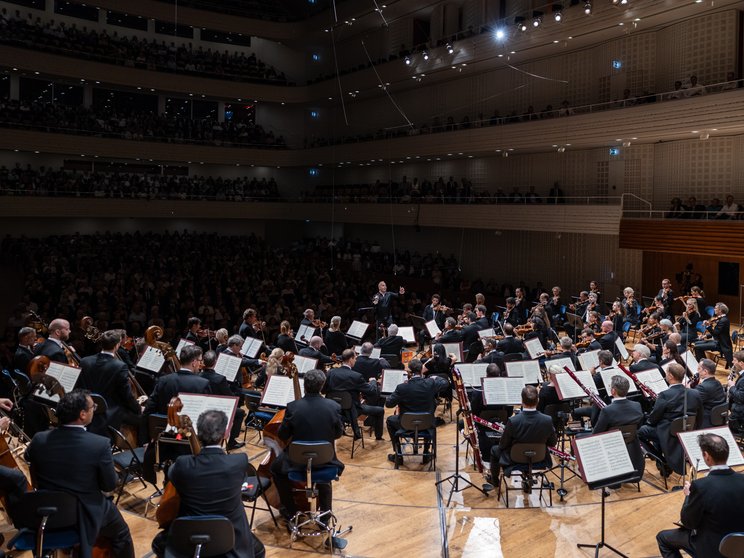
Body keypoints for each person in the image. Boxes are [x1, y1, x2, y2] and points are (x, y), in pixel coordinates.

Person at [25, 390, 135, 558]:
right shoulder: (99, 444)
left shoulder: (39, 439)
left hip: (47, 513)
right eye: (93, 407)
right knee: (121, 534)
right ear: (82, 414)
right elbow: (109, 485)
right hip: (84, 512)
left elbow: (28, 457)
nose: (94, 409)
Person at [152, 409, 265, 558]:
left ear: (198, 434)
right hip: (231, 540)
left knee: (158, 544)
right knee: (259, 550)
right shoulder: (238, 462)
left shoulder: (182, 465)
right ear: (224, 434)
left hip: (189, 536)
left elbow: (173, 475)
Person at [271, 369, 344, 524]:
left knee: (276, 469)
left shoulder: (292, 407)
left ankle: (290, 512)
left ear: (304, 385)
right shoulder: (333, 406)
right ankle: (325, 518)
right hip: (325, 460)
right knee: (324, 476)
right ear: (322, 385)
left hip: (298, 462)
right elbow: (338, 434)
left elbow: (283, 435)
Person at [656, 433, 744, 558]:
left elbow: (688, 523)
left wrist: (688, 495)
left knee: (663, 538)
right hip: (740, 546)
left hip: (713, 549)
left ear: (706, 456)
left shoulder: (701, 486)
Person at [638, 363, 703, 476]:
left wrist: (647, 421)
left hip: (667, 432)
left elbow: (654, 419)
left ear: (671, 376)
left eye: (667, 372)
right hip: (686, 430)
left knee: (639, 433)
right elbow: (700, 415)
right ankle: (663, 460)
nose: (666, 375)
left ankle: (661, 460)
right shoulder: (695, 393)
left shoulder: (665, 395)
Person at [78, 329, 142, 440]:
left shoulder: (85, 361)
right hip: (110, 413)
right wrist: (138, 408)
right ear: (117, 345)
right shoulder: (119, 366)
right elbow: (126, 395)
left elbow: (79, 387)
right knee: (143, 418)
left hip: (86, 409)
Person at [487, 385, 557, 485]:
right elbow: (552, 443)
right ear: (538, 400)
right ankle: (526, 476)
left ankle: (494, 481)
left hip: (515, 458)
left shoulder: (513, 421)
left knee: (494, 449)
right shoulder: (547, 420)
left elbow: (503, 445)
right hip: (539, 458)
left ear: (522, 401)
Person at [385, 359, 448, 465]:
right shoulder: (430, 383)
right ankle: (425, 453)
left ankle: (398, 455)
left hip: (406, 424)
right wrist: (434, 377)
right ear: (421, 370)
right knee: (429, 419)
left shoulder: (402, 387)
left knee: (390, 420)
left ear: (409, 372)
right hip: (427, 423)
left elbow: (389, 403)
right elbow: (445, 383)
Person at [325, 349, 385, 439]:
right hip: (353, 410)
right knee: (380, 410)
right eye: (355, 359)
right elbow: (372, 391)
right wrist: (372, 381)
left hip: (334, 409)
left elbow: (325, 390)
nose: (356, 361)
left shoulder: (330, 372)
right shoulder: (356, 376)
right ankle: (378, 437)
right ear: (350, 359)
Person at [593, 375, 645, 478]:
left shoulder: (607, 410)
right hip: (631, 443)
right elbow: (639, 426)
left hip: (611, 446)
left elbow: (597, 433)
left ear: (613, 391)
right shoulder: (637, 405)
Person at [198, 350, 246, 449]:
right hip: (217, 408)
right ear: (215, 362)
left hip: (202, 407)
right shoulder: (220, 379)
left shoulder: (198, 376)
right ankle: (231, 442)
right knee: (240, 412)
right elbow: (230, 397)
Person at [694, 302, 733, 368]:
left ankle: (705, 366)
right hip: (717, 341)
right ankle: (705, 364)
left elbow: (715, 333)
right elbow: (719, 333)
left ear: (720, 310)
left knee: (697, 347)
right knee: (697, 343)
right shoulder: (721, 319)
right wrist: (706, 336)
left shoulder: (723, 320)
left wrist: (708, 326)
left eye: (715, 308)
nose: (714, 309)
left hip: (721, 344)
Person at [695, 358, 726, 428]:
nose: (697, 371)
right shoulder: (718, 383)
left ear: (705, 371)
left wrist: (688, 391)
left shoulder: (703, 387)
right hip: (718, 417)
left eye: (699, 369)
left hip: (706, 420)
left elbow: (693, 403)